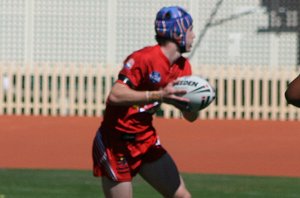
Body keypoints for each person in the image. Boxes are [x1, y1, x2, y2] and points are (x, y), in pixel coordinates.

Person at [92, 6, 197, 198]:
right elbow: (115, 95)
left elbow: (190, 117)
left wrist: (195, 104)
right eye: (190, 30)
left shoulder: (184, 67)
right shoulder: (144, 58)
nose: (194, 35)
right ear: (177, 31)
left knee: (183, 196)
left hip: (145, 140)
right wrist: (158, 96)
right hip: (115, 143)